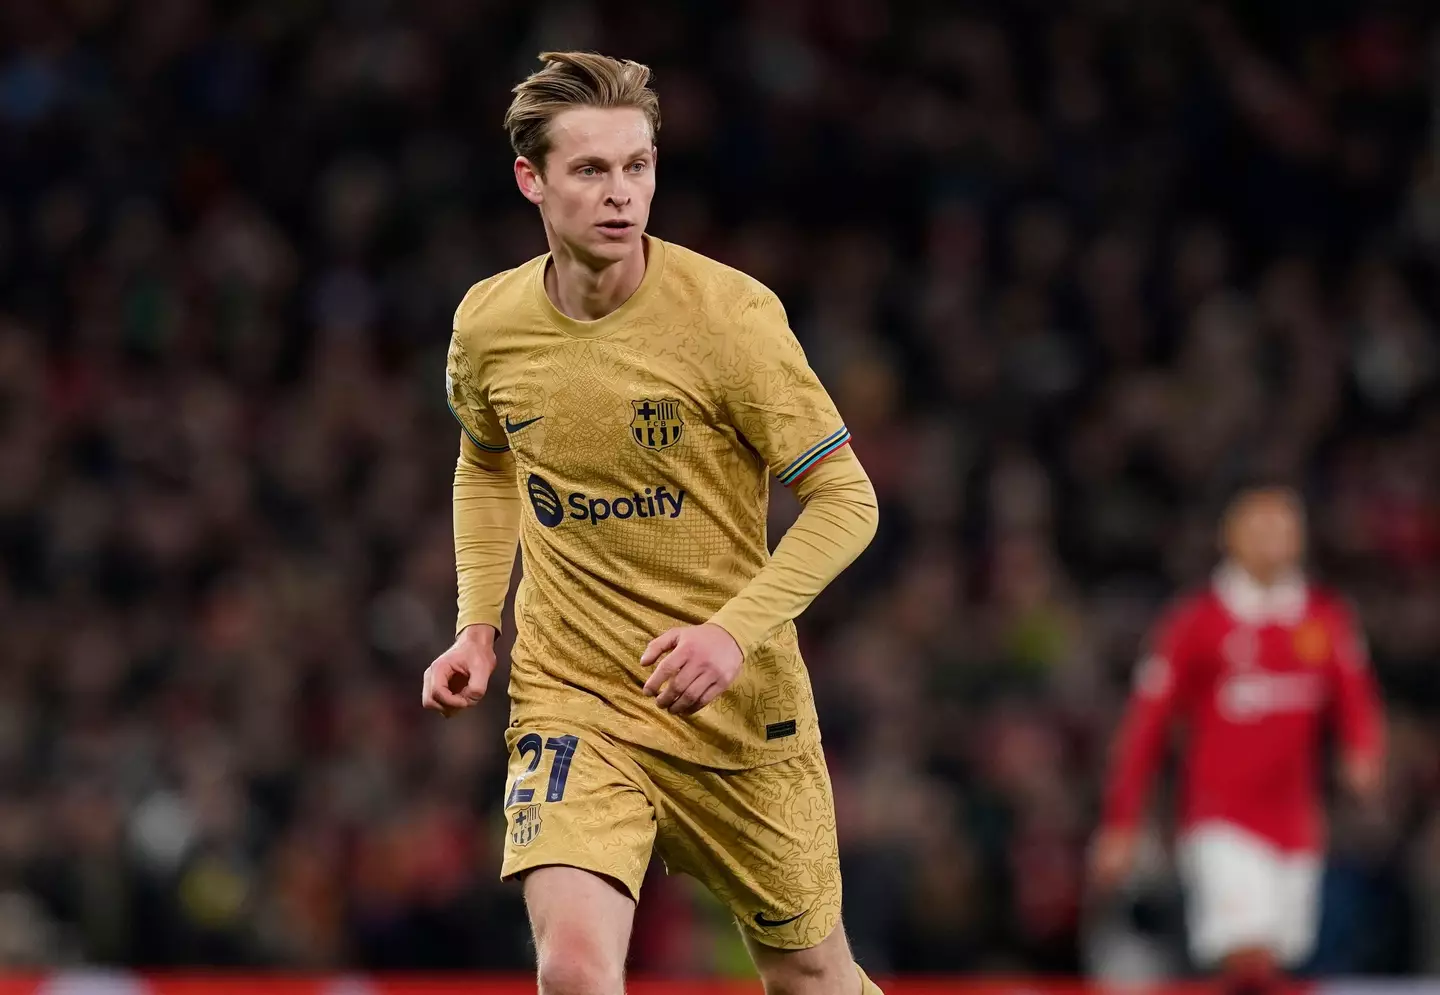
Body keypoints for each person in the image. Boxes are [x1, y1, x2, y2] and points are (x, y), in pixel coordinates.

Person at [421, 52, 883, 995]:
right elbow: (485, 458)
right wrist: (479, 619)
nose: (621, 193)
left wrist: (730, 635)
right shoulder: (489, 325)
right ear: (532, 180)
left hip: (735, 705)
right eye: (590, 170)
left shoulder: (731, 319)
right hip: (575, 693)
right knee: (576, 970)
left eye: (638, 166)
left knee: (808, 973)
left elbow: (849, 499)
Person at [1090, 485, 1386, 994]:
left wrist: (1363, 751)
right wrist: (1122, 819)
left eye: (1283, 528)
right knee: (1249, 954)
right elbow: (1147, 725)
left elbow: (1355, 696)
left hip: (1296, 820)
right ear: (1231, 538)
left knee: (1276, 957)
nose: (1272, 540)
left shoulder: (1323, 618)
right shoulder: (1197, 623)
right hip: (1220, 817)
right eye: (1259, 527)